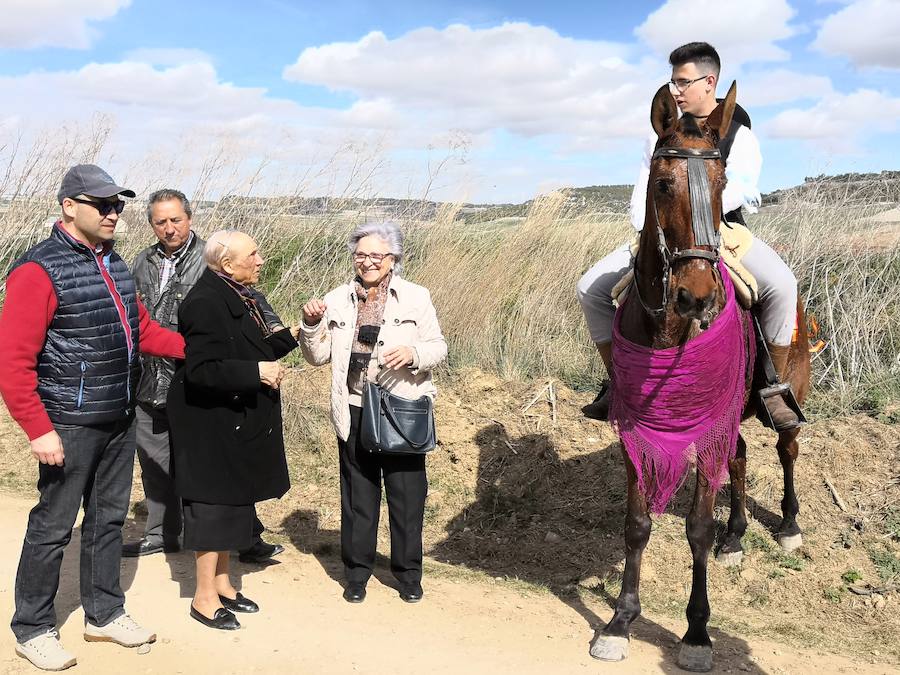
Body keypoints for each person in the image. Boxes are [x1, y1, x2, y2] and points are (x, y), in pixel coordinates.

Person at [0, 165, 185, 671]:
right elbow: (13, 362)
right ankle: (32, 627)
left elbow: (140, 328)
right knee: (53, 526)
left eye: (118, 205)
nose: (113, 213)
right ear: (68, 206)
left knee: (107, 521)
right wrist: (38, 429)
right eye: (102, 205)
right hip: (69, 422)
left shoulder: (113, 261)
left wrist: (193, 350)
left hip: (119, 416)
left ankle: (103, 613)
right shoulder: (38, 270)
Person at [576, 41, 800, 431]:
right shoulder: (659, 136)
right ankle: (619, 381)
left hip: (724, 229)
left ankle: (771, 387)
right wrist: (650, 229)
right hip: (664, 231)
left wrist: (699, 210)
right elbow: (643, 188)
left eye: (683, 82)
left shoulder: (738, 133)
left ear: (709, 81)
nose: (676, 91)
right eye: (673, 83)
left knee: (782, 284)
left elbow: (743, 187)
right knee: (589, 289)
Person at [124, 189, 286, 563]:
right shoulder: (142, 262)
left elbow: (252, 305)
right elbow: (136, 316)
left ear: (190, 219)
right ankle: (160, 533)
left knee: (219, 465)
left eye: (175, 220)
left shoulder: (212, 259)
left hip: (199, 381)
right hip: (150, 379)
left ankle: (246, 537)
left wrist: (274, 342)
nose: (169, 228)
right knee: (153, 459)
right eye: (160, 222)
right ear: (151, 225)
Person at [300, 222, 447, 604]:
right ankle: (357, 575)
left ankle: (408, 575)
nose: (368, 262)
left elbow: (438, 347)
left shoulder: (416, 297)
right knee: (358, 498)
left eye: (377, 255)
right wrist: (311, 325)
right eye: (361, 255)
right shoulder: (336, 298)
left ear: (393, 259)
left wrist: (414, 355)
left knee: (407, 498)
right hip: (352, 408)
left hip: (402, 408)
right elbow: (317, 357)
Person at [166, 230, 298, 630]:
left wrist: (302, 331)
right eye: (254, 254)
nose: (260, 260)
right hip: (207, 425)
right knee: (212, 507)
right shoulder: (206, 302)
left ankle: (223, 583)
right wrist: (255, 372)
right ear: (227, 264)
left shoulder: (238, 295)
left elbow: (254, 347)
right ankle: (203, 598)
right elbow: (201, 371)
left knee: (231, 504)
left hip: (231, 421)